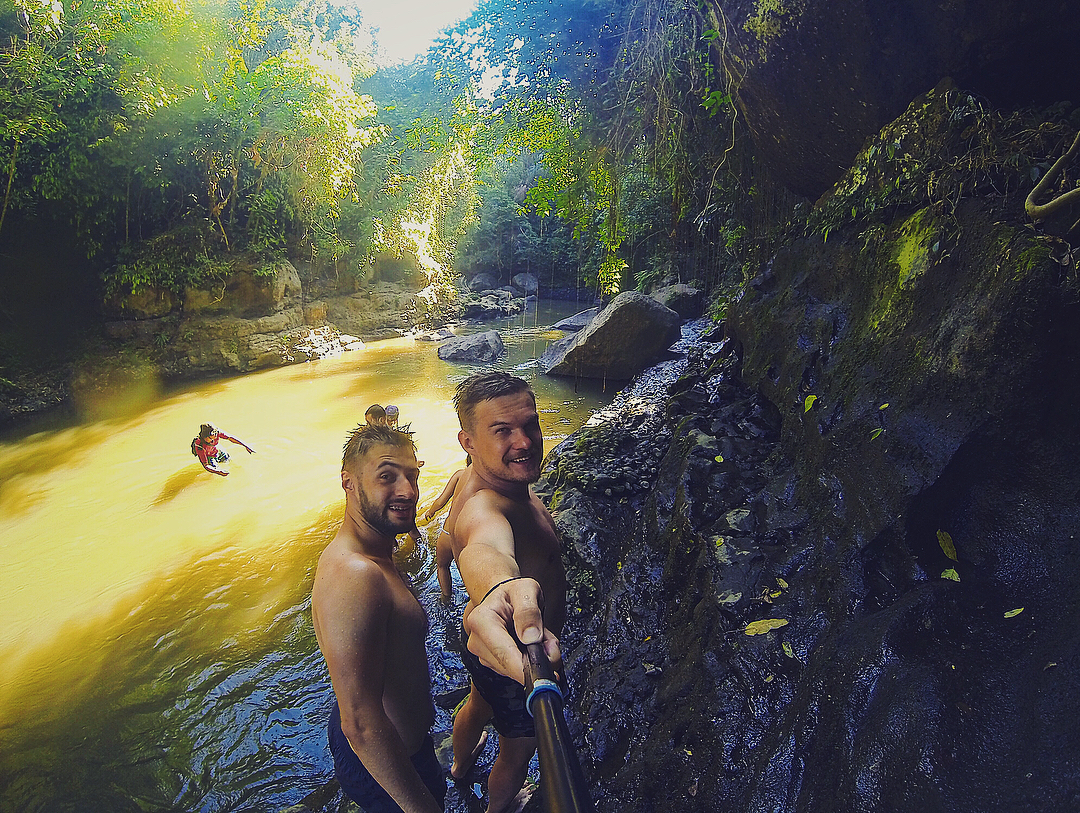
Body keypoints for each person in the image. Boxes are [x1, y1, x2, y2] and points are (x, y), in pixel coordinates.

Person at [443, 372, 565, 813]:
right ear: (468, 441)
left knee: (478, 701)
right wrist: (501, 587)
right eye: (502, 432)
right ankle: (500, 807)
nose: (525, 442)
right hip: (513, 647)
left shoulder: (491, 480)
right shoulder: (485, 504)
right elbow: (485, 547)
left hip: (482, 644)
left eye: (529, 424)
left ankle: (458, 768)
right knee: (519, 748)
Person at [311, 423, 446, 813]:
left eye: (412, 475)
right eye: (387, 476)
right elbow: (360, 722)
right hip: (383, 768)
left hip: (400, 746)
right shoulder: (355, 575)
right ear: (348, 483)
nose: (407, 490)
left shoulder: (376, 551)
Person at [417, 460, 470, 601]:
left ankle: (445, 596)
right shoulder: (488, 482)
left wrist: (431, 511)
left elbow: (441, 501)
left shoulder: (459, 475)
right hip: (466, 536)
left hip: (447, 532)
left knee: (442, 566)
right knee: (468, 572)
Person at [190, 423, 255, 476]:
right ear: (204, 436)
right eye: (210, 438)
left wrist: (246, 445)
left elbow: (230, 438)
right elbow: (206, 465)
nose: (214, 438)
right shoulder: (199, 446)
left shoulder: (216, 432)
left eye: (215, 436)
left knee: (229, 461)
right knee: (216, 472)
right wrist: (218, 471)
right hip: (209, 456)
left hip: (217, 449)